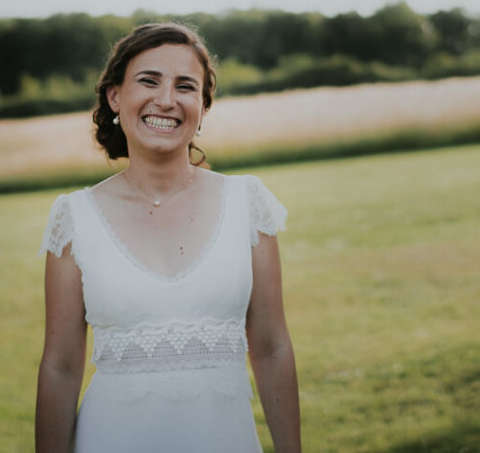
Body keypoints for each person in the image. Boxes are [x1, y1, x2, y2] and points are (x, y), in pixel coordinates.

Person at [35, 22, 301, 452]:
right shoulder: (74, 217)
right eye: (149, 81)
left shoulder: (247, 204)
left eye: (185, 86)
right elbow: (60, 367)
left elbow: (272, 349)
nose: (166, 99)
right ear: (115, 96)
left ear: (203, 107)